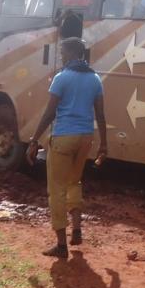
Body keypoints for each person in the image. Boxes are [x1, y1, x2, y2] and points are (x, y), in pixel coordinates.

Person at [25, 37, 107, 258]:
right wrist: (104, 145)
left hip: (64, 137)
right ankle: (77, 229)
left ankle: (61, 245)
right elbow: (100, 114)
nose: (60, 55)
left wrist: (34, 140)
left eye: (62, 52)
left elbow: (50, 112)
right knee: (75, 181)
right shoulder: (95, 79)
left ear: (70, 53)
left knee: (57, 189)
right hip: (86, 138)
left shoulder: (62, 78)